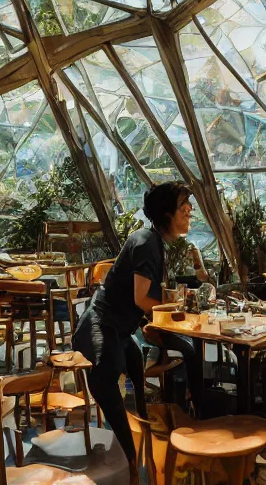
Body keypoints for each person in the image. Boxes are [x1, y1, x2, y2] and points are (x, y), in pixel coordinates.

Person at [72, 182, 194, 477]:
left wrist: (173, 301)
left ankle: (163, 432)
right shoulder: (146, 242)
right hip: (100, 324)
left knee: (172, 353)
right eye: (183, 207)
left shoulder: (154, 241)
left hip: (120, 328)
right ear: (166, 214)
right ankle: (130, 458)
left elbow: (142, 297)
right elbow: (142, 299)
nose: (190, 211)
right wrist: (174, 308)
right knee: (105, 378)